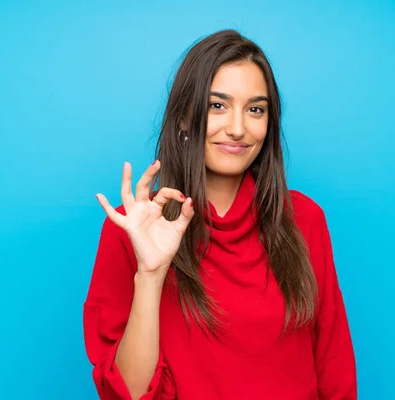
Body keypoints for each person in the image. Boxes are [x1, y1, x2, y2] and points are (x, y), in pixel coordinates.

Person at [83, 29, 357, 400]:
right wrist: (150, 274)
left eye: (255, 109)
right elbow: (128, 392)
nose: (239, 128)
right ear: (183, 118)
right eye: (217, 105)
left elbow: (333, 363)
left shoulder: (304, 219)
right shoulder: (134, 227)